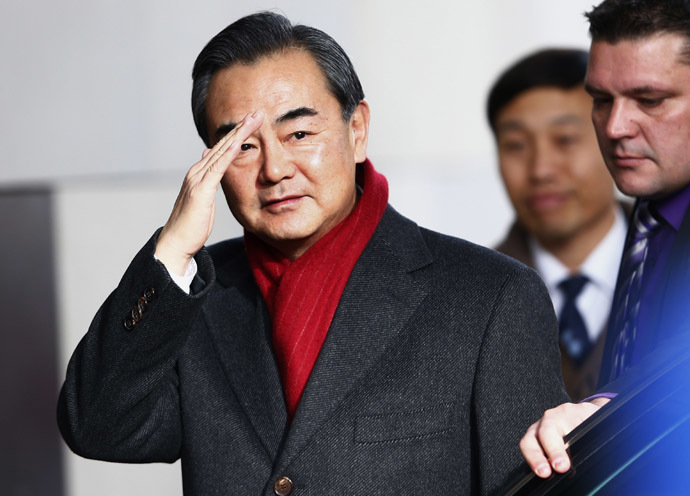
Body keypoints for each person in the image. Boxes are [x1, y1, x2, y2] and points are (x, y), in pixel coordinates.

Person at [57, 11, 567, 496]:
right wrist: (170, 253)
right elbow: (98, 426)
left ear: (357, 129)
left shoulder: (489, 296)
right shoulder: (193, 300)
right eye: (242, 146)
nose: (275, 169)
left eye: (299, 134)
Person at [520, 0, 690, 479]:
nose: (615, 128)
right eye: (601, 99)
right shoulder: (651, 207)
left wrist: (610, 410)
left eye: (650, 100)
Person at [488, 48, 630, 401]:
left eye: (565, 140)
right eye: (516, 145)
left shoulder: (676, 268)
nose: (541, 170)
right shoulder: (470, 296)